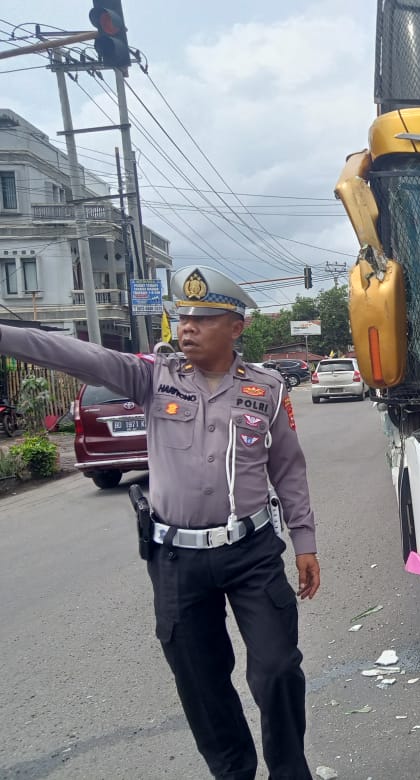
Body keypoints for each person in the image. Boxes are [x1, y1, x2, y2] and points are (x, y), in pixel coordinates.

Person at [0, 266, 320, 778]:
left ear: (235, 326)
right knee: (200, 681)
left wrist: (305, 540)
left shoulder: (267, 389)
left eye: (203, 318)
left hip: (252, 552)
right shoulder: (152, 376)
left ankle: (289, 771)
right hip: (176, 559)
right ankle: (233, 772)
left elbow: (289, 469)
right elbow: (71, 353)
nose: (187, 327)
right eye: (182, 316)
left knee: (279, 668)